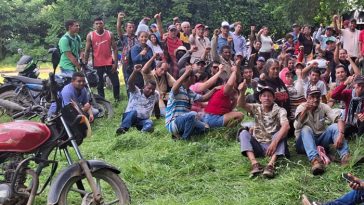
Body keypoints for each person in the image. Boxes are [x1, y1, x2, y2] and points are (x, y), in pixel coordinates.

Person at [237, 82, 290, 178]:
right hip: (258, 144)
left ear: (274, 98)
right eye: (264, 96)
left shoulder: (280, 110)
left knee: (282, 133)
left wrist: (274, 142)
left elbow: (286, 126)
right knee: (243, 133)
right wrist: (242, 92)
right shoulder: (257, 108)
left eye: (269, 96)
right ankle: (255, 164)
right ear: (260, 98)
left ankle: (271, 165)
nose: (266, 98)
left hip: (274, 146)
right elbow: (241, 104)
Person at [294, 86, 350, 175]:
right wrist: (305, 110)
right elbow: (297, 127)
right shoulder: (301, 107)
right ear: (307, 97)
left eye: (317, 96)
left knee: (335, 126)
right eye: (312, 97)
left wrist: (341, 134)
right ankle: (315, 160)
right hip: (302, 144)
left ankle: (345, 156)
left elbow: (339, 119)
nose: (315, 99)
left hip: (320, 140)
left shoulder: (323, 106)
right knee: (306, 128)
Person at [165, 66, 219, 140]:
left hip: (186, 120)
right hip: (174, 123)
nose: (196, 77)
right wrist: (186, 73)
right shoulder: (178, 90)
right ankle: (185, 139)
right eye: (194, 76)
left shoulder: (190, 92)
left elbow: (203, 98)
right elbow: (174, 87)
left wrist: (214, 90)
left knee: (206, 128)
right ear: (189, 77)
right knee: (193, 114)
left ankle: (179, 135)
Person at [84, 17, 120, 102]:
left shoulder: (109, 34)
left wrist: (115, 63)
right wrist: (85, 62)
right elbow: (87, 50)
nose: (99, 25)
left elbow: (115, 48)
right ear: (94, 25)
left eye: (100, 23)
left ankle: (117, 99)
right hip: (97, 64)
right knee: (99, 85)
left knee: (115, 83)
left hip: (109, 62)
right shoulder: (90, 35)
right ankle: (103, 101)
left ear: (103, 24)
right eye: (97, 24)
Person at [116, 64, 159, 135]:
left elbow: (156, 105)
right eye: (149, 88)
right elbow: (130, 82)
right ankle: (123, 128)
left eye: (153, 89)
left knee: (149, 122)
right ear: (144, 87)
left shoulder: (155, 94)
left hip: (142, 120)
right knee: (133, 112)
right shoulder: (136, 91)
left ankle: (143, 132)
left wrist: (158, 116)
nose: (151, 91)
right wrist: (135, 72)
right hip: (130, 118)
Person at [116, 12, 137, 84]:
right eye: (129, 27)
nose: (132, 29)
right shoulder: (124, 37)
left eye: (133, 27)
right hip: (126, 61)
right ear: (125, 28)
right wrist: (119, 19)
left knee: (137, 80)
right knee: (128, 80)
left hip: (135, 61)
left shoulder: (137, 37)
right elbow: (118, 29)